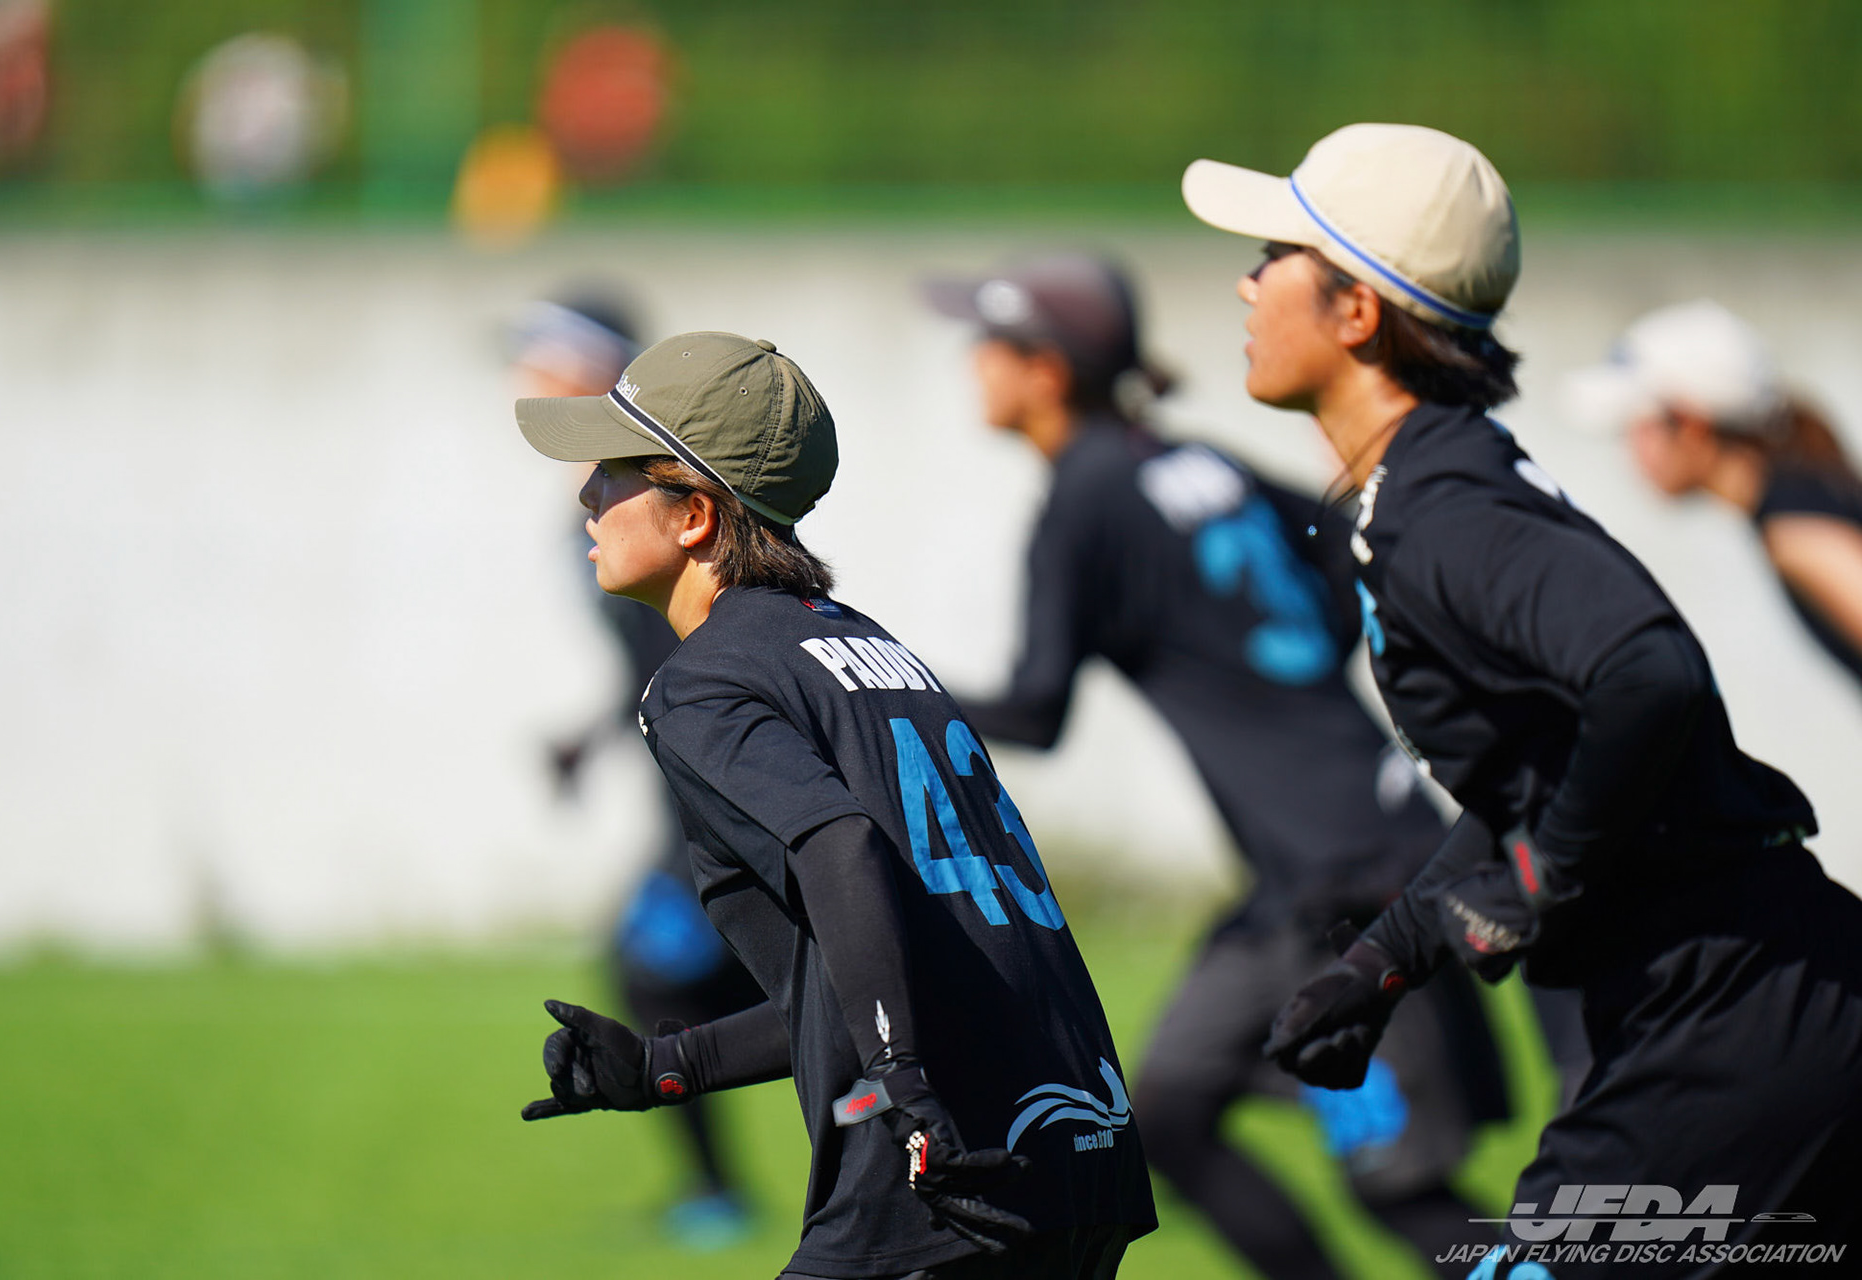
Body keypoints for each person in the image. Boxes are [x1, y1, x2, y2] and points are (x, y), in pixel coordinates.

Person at [1182, 122, 1862, 1278]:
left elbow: (1648, 670)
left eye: (1274, 256)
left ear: (1357, 312)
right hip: (1755, 997)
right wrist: (1385, 961)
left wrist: (1539, 879)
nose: (1248, 284)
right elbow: (1535, 783)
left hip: (1730, 1016)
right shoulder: (1427, 484)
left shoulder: (1445, 506)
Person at [512, 332, 1157, 1278]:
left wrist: (899, 1076)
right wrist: (666, 1067)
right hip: (1076, 1150)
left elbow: (839, 845)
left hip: (940, 1169)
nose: (587, 497)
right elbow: (883, 964)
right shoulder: (872, 651)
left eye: (614, 471)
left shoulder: (704, 682)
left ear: (696, 516)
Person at [923, 253, 1506, 1280]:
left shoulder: (1084, 499)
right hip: (1316, 869)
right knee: (1170, 1111)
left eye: (990, 343)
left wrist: (887, 693)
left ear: (1046, 372)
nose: (973, 362)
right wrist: (1293, 667)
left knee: (1402, 1186)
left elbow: (1038, 709)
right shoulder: (1190, 460)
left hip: (1354, 884)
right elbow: (1344, 543)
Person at [509, 291, 764, 1247]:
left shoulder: (664, 496)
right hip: (697, 788)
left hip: (726, 791)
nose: (523, 373)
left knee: (671, 973)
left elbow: (707, 651)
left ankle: (849, 1147)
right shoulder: (598, 510)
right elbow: (653, 668)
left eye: (541, 353)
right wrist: (594, 734)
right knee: (688, 975)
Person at [1570, 299, 1862, 688]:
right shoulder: (1807, 494)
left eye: (1637, 427)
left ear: (1691, 424)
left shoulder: (1796, 532)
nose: (1629, 451)